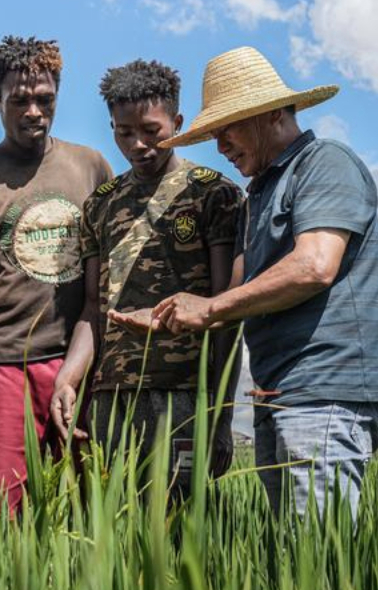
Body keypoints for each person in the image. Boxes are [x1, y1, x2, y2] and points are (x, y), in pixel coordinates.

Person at [112, 46, 378, 520]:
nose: (220, 147)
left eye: (227, 130)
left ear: (269, 115)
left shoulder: (324, 163)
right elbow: (231, 296)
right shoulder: (261, 192)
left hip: (325, 392)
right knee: (291, 553)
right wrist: (170, 313)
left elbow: (314, 266)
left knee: (316, 554)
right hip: (280, 394)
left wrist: (207, 308)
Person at [49, 59, 242, 496]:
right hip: (111, 397)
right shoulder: (100, 205)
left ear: (176, 122)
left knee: (179, 529)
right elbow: (94, 309)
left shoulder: (214, 193)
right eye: (123, 132)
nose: (138, 144)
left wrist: (221, 413)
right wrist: (69, 377)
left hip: (185, 395)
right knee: (111, 530)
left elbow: (227, 312)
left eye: (151, 131)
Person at [0, 36, 112, 513]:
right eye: (19, 101)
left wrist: (85, 372)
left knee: (88, 517)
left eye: (45, 99)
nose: (34, 111)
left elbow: (103, 290)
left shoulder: (91, 168)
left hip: (81, 368)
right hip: (5, 369)